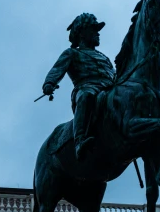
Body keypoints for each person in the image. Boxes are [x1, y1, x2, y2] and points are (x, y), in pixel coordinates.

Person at [42, 13, 115, 159]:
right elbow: (57, 69)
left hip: (109, 89)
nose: (97, 33)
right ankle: (80, 140)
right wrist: (49, 83)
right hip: (86, 87)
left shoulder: (104, 57)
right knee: (86, 95)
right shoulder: (72, 53)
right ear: (82, 33)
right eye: (93, 29)